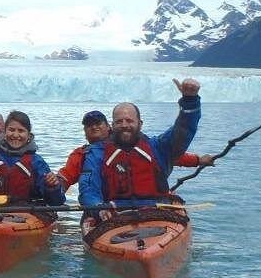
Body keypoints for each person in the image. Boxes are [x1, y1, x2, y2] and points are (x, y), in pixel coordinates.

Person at [78, 78, 202, 222]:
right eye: (119, 121)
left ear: (140, 124)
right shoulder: (97, 153)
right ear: (112, 125)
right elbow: (88, 188)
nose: (124, 125)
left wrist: (190, 101)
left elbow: (183, 131)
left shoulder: (158, 147)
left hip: (157, 212)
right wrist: (98, 207)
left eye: (129, 120)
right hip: (114, 214)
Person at [47, 109, 215, 191]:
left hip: (149, 205)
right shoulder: (82, 155)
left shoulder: (136, 143)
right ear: (84, 131)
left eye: (98, 124)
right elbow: (66, 177)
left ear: (108, 127)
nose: (94, 128)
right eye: (89, 126)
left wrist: (198, 160)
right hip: (110, 204)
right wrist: (54, 186)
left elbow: (166, 155)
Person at [0, 110, 66, 205]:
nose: (15, 135)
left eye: (21, 131)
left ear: (29, 135)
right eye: (11, 130)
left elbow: (56, 202)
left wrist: (52, 187)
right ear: (5, 132)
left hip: (25, 211)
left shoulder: (36, 161)